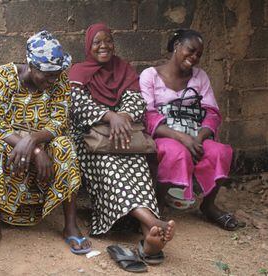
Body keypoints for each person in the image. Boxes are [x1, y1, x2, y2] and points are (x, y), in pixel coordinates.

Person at [0, 30, 91, 259]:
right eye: (46, 75)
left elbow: (60, 121)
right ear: (31, 65)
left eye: (56, 75)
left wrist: (34, 141)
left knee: (65, 146)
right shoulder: (5, 76)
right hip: (10, 142)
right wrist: (28, 145)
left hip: (43, 141)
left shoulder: (58, 80)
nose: (52, 81)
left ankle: (70, 225)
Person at [68, 23, 175, 265]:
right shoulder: (78, 71)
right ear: (88, 46)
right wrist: (110, 116)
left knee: (138, 168)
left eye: (108, 41)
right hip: (90, 139)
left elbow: (136, 100)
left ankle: (150, 242)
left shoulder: (123, 68)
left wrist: (123, 116)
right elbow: (78, 106)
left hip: (124, 136)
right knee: (111, 169)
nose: (103, 46)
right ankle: (154, 224)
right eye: (97, 42)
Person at [139, 29, 241, 231]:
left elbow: (211, 112)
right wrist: (181, 138)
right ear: (177, 46)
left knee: (220, 151)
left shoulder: (200, 77)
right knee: (176, 152)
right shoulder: (150, 75)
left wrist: (199, 137)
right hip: (166, 134)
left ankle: (208, 205)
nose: (194, 57)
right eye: (190, 50)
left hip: (196, 134)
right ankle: (158, 203)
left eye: (198, 55)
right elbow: (148, 115)